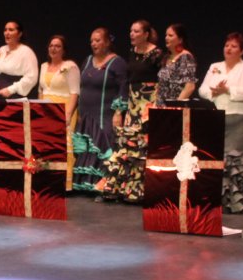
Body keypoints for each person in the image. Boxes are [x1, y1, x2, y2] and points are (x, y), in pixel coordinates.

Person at [100, 20, 164, 203]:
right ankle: (128, 189)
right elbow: (127, 82)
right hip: (133, 102)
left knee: (145, 145)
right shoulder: (132, 52)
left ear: (146, 34)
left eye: (136, 31)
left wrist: (156, 105)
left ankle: (144, 190)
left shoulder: (156, 54)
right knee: (129, 145)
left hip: (149, 102)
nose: (132, 34)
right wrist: (120, 109)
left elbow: (162, 82)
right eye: (131, 31)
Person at [198, 32, 243, 213]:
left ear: (241, 51)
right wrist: (213, 92)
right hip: (218, 114)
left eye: (233, 46)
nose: (229, 49)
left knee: (236, 159)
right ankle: (219, 199)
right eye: (227, 45)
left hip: (240, 117)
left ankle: (237, 202)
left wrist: (228, 89)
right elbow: (202, 89)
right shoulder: (215, 66)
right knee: (217, 157)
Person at [74, 28, 127, 198]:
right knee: (88, 147)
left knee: (103, 146)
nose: (94, 44)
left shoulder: (117, 63)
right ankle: (86, 185)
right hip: (87, 112)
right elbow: (81, 87)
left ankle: (104, 186)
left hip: (104, 113)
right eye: (91, 41)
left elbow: (123, 88)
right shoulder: (88, 61)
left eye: (97, 40)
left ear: (107, 42)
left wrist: (118, 112)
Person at [0, 21, 39, 191]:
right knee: (0, 137)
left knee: (14, 138)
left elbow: (31, 77)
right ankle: (2, 177)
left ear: (20, 33)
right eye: (5, 29)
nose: (7, 33)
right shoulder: (2, 50)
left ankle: (16, 179)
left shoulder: (26, 52)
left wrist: (12, 89)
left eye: (11, 30)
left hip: (14, 97)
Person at [38, 35, 79, 189]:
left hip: (63, 109)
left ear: (63, 50)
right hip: (46, 111)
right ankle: (47, 179)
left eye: (57, 46)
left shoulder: (70, 66)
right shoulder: (43, 66)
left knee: (61, 146)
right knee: (46, 146)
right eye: (51, 45)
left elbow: (75, 92)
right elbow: (41, 90)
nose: (53, 49)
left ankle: (63, 183)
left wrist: (67, 115)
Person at [155, 23, 197, 103]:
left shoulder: (185, 57)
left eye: (170, 35)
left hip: (174, 108)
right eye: (166, 35)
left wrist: (176, 105)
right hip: (160, 106)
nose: (166, 38)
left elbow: (190, 86)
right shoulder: (167, 57)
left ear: (180, 39)